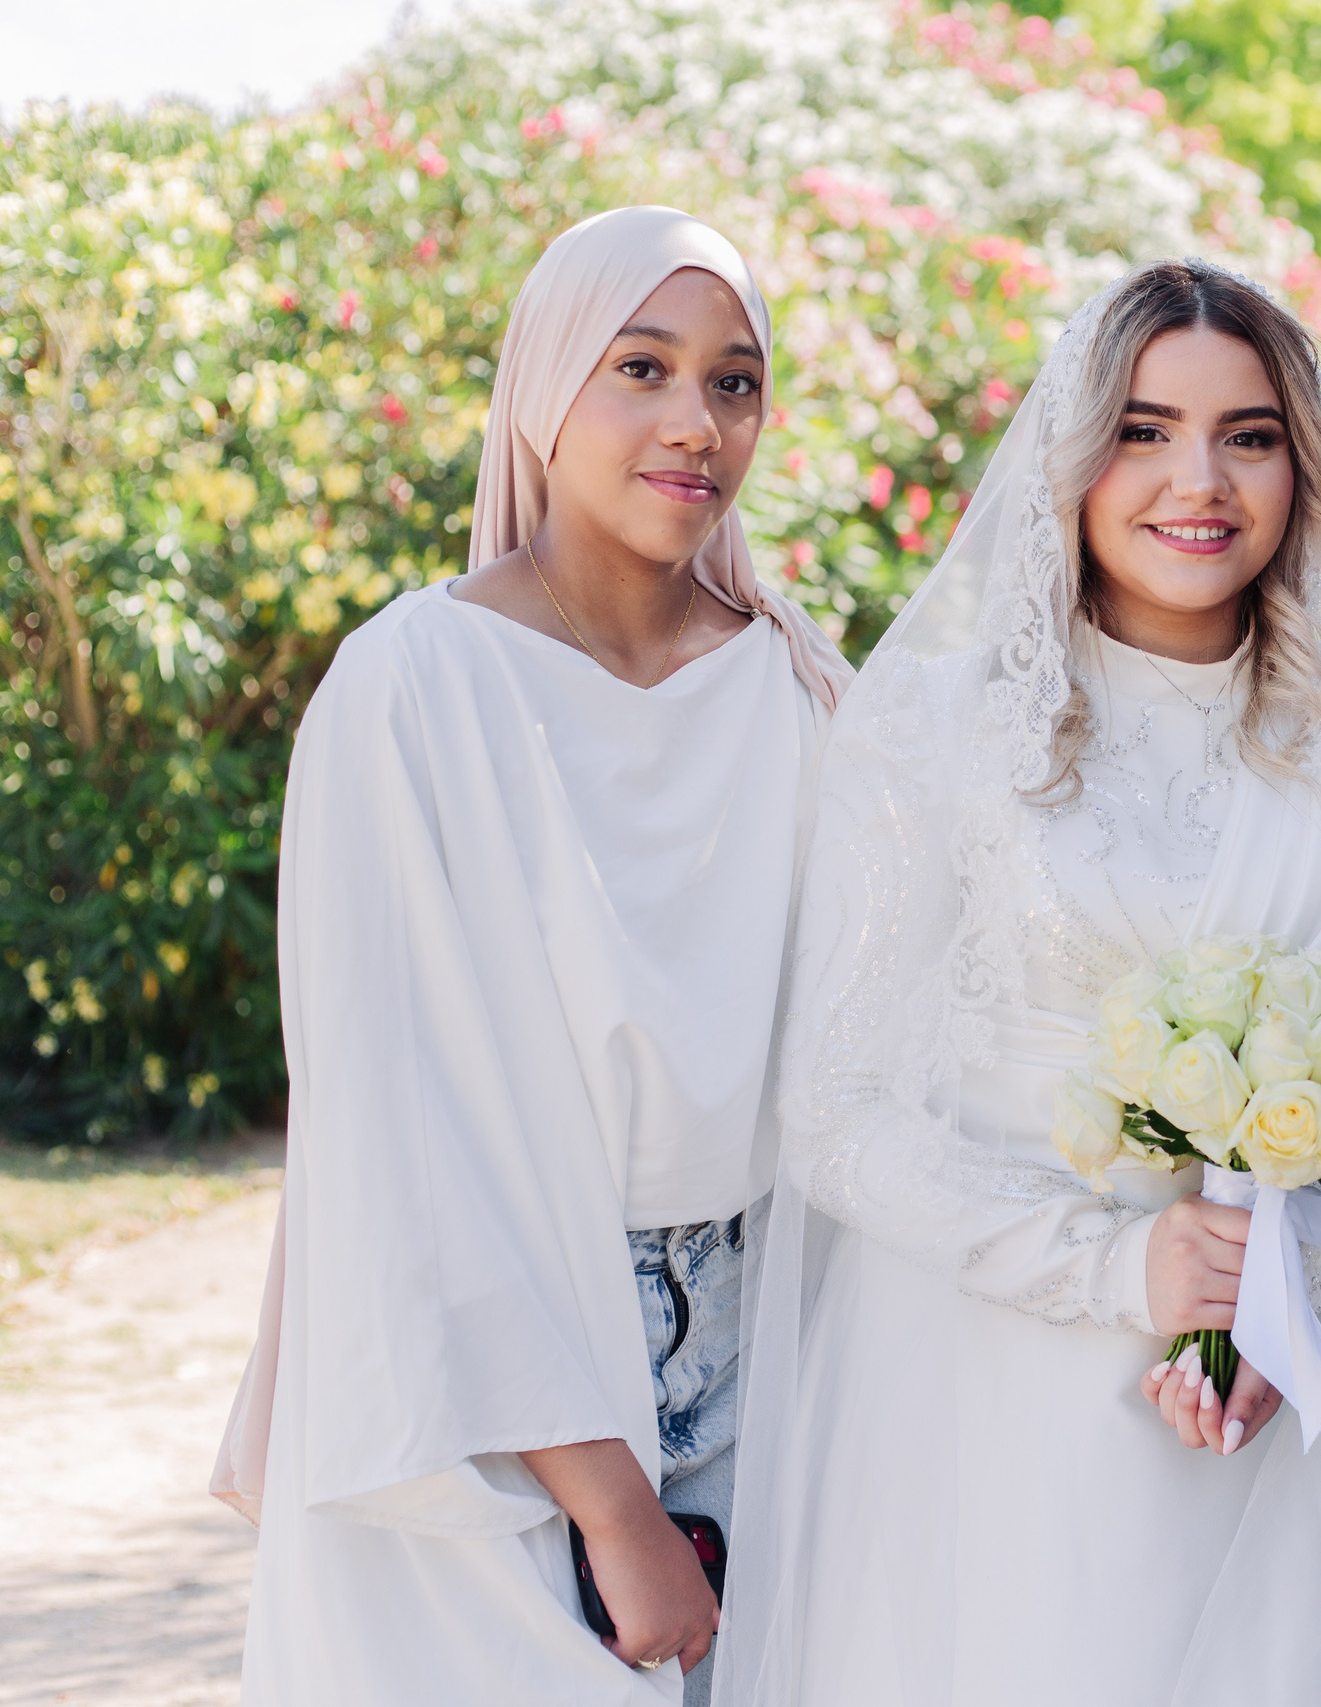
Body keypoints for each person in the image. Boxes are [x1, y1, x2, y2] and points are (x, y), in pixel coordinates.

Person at [718, 261, 1321, 1706]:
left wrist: (1286, 1296)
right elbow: (836, 1111)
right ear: (1073, 455)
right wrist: (1125, 1270)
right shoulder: (934, 731)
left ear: (1300, 463)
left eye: (1249, 434)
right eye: (1143, 428)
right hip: (986, 1402)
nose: (1201, 479)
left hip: (1281, 1418)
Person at [211, 205, 850, 1706]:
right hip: (497, 1378)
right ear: (543, 387)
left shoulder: (802, 688)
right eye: (643, 366)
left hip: (774, 1355)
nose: (697, 420)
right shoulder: (412, 688)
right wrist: (612, 1502)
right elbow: (399, 1132)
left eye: (737, 381)